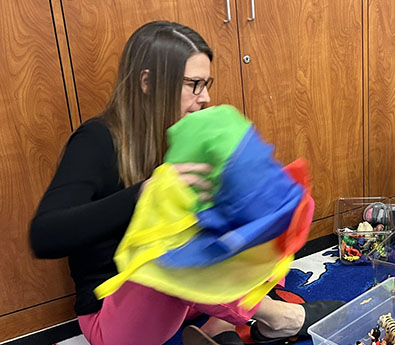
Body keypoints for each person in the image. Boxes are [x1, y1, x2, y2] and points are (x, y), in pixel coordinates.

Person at [29, 21, 342, 345]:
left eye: (206, 84)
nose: (204, 97)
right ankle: (280, 319)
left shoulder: (184, 135)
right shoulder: (97, 139)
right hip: (114, 317)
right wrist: (145, 193)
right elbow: (45, 235)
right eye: (194, 84)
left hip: (186, 304)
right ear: (148, 82)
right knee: (174, 249)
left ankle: (215, 331)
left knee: (251, 219)